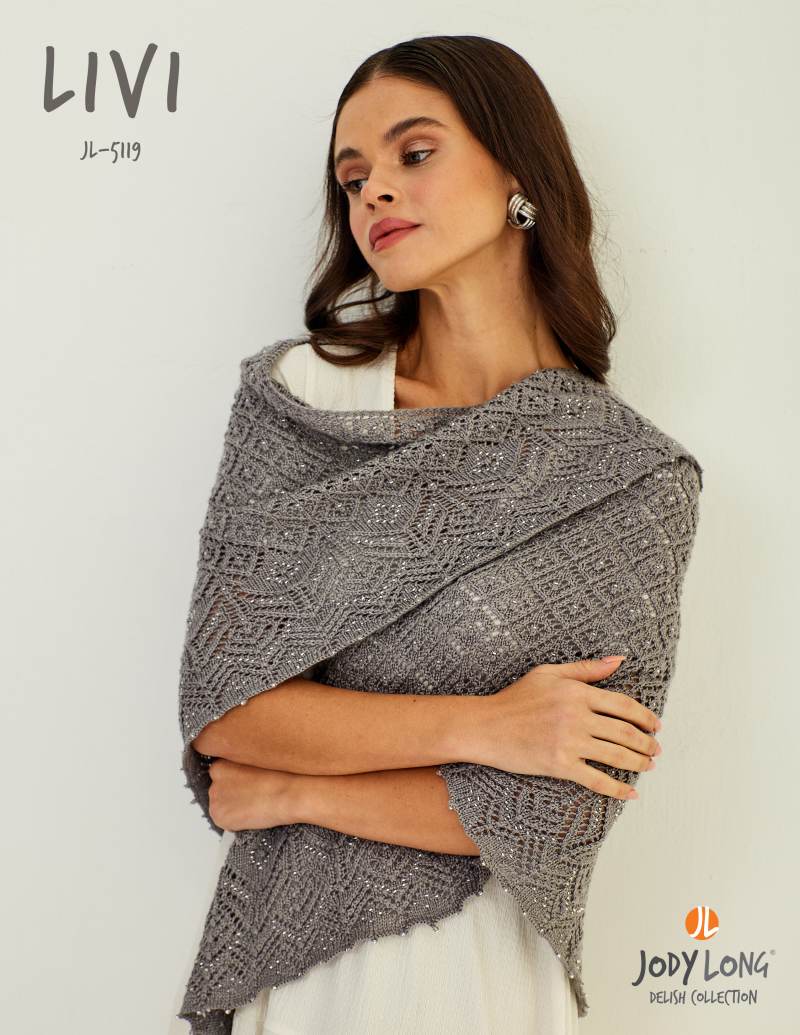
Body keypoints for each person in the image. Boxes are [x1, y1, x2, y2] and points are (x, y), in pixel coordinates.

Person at [176, 34, 677, 1034]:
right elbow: (229, 715)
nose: (373, 192)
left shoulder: (628, 476)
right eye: (351, 176)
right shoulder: (302, 400)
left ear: (517, 172)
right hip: (311, 979)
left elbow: (564, 808)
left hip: (490, 975)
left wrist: (294, 791)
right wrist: (487, 729)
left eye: (414, 153)